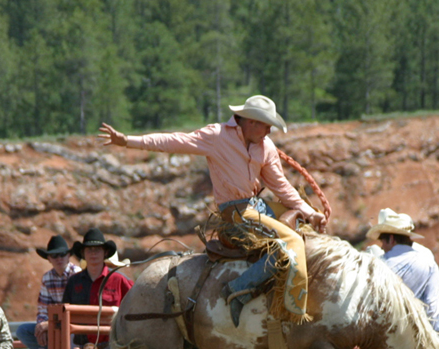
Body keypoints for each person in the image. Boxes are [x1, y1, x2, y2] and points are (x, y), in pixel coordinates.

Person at [99, 94, 326, 326]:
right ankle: (241, 290)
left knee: (303, 229)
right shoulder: (217, 137)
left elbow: (282, 186)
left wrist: (309, 211)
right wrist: (127, 141)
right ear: (251, 121)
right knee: (291, 244)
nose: (268, 131)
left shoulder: (265, 147)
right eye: (266, 125)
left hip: (257, 207)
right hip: (237, 213)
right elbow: (174, 141)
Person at [366, 208, 439, 336]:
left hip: (384, 337)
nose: (382, 247)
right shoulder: (428, 262)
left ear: (391, 239)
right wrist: (438, 335)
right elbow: (435, 305)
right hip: (418, 336)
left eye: (382, 241)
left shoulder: (377, 265)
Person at [62, 228, 134, 349]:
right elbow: (63, 313)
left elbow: (135, 308)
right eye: (89, 250)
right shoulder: (73, 282)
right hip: (80, 348)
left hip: (112, 346)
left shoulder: (120, 280)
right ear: (83, 253)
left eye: (97, 249)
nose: (93, 253)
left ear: (105, 253)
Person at [15, 235, 80, 349]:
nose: (59, 258)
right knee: (22, 331)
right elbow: (43, 310)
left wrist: (50, 324)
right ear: (49, 259)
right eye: (54, 255)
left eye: (62, 254)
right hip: (55, 327)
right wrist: (43, 326)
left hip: (74, 327)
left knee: (70, 334)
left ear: (69, 255)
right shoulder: (47, 278)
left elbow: (77, 310)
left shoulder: (77, 275)